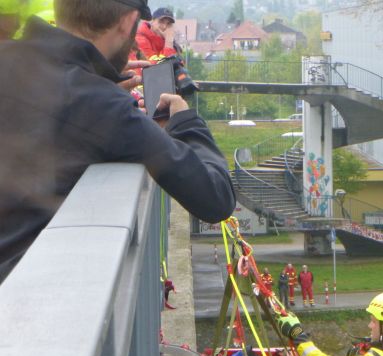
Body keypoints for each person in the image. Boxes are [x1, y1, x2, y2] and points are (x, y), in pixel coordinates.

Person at [0, 0, 236, 284]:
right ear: (127, 22)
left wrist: (96, 80)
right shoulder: (106, 110)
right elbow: (216, 198)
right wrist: (185, 121)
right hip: (23, 301)